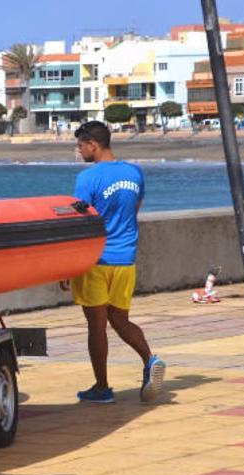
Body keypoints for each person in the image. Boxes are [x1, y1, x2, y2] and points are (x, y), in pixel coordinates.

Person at [70, 120, 165, 403]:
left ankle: (102, 387)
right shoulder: (134, 173)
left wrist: (70, 264)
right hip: (126, 258)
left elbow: (82, 222)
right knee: (120, 319)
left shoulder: (88, 179)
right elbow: (134, 210)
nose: (78, 152)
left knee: (96, 326)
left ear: (93, 145)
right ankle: (150, 359)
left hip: (97, 259)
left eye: (80, 146)